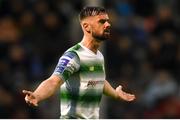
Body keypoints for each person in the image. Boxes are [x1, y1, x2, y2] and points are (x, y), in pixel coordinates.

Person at [22, 6, 135, 119]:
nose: (108, 24)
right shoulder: (74, 56)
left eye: (107, 21)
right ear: (86, 26)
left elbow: (98, 80)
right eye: (102, 21)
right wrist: (37, 95)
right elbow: (54, 81)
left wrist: (116, 94)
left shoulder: (99, 56)